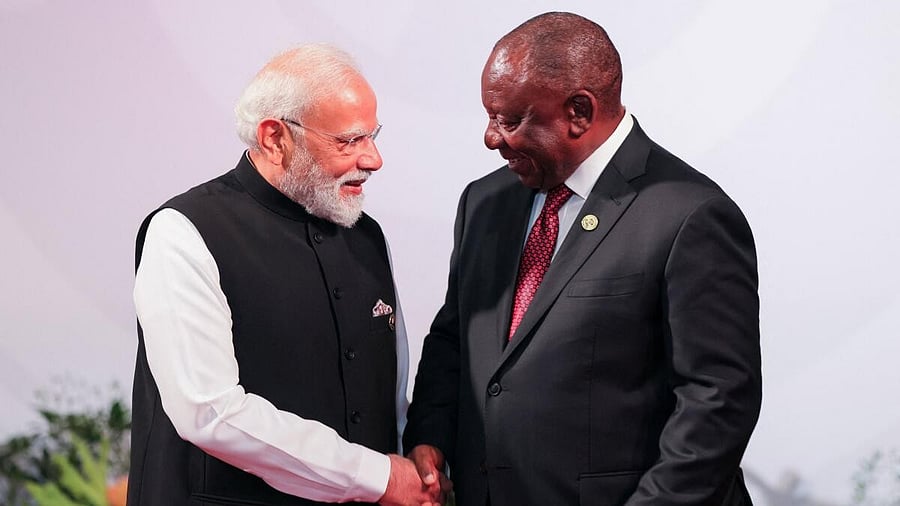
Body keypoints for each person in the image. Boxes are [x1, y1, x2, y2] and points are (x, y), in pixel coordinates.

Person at [404, 12, 762, 506]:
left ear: (578, 111)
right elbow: (454, 338)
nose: (491, 138)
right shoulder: (484, 202)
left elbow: (717, 401)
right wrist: (429, 435)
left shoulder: (691, 215)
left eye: (509, 120)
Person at [128, 45, 442, 506]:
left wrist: (416, 457)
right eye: (349, 141)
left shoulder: (367, 236)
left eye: (372, 136)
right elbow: (209, 412)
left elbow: (388, 396)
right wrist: (376, 476)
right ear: (274, 138)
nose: (374, 159)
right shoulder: (185, 231)